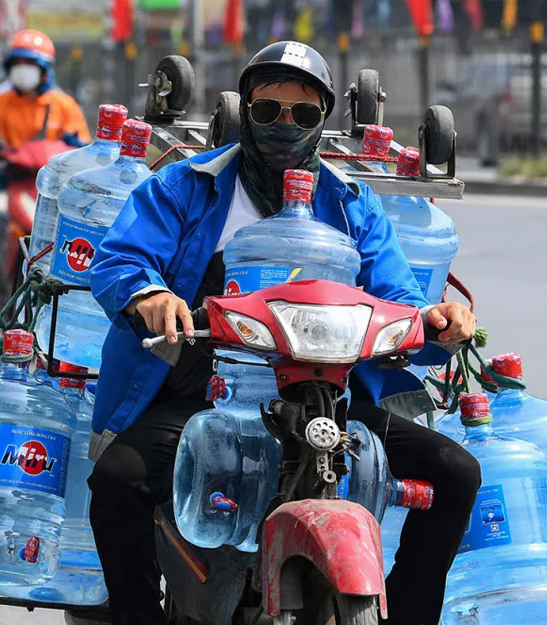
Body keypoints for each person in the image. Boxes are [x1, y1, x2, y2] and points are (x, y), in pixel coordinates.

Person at [86, 41, 482, 625]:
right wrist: (150, 295)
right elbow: (120, 260)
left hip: (328, 398)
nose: (283, 125)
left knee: (455, 474)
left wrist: (436, 322)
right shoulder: (184, 187)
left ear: (323, 119)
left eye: (302, 113)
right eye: (268, 110)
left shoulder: (353, 206)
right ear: (246, 110)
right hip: (213, 395)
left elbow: (399, 301)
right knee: (118, 482)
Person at [0, 28, 90, 260]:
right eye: (18, 63)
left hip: (55, 189)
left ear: (45, 69)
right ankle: (2, 277)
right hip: (11, 182)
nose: (23, 69)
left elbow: (82, 146)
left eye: (30, 63)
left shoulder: (64, 105)